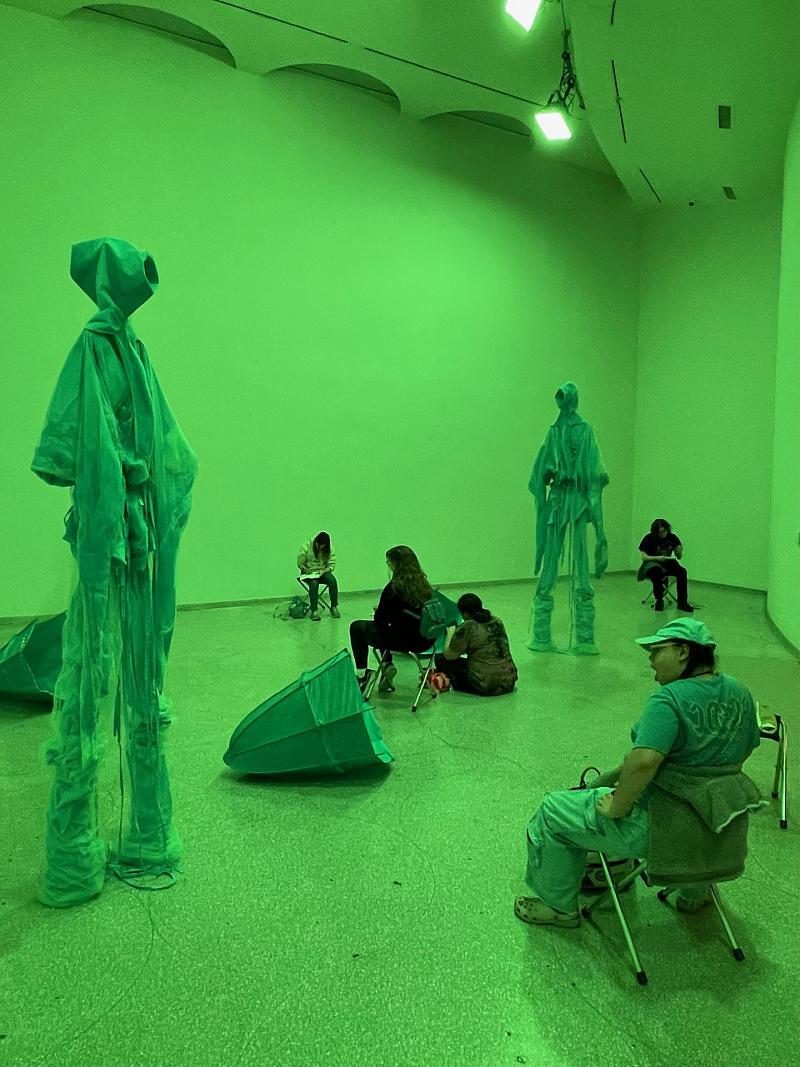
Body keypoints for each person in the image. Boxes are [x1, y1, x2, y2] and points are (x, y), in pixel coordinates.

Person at [514, 618, 763, 928]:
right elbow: (749, 745)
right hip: (723, 823)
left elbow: (644, 761)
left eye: (656, 650)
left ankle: (558, 908)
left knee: (552, 811)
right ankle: (694, 895)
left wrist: (619, 804)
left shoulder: (669, 699)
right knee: (699, 808)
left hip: (665, 827)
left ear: (683, 652)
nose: (650, 658)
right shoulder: (739, 690)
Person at [528, 381, 609, 655]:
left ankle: (583, 638)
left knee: (580, 561)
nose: (561, 404)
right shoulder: (554, 432)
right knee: (552, 560)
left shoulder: (584, 430)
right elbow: (541, 470)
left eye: (564, 399)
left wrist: (599, 530)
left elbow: (593, 474)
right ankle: (542, 636)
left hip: (573, 501)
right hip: (560, 500)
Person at [349, 546, 434, 693]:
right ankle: (387, 666)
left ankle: (363, 675)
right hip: (426, 640)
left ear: (397, 564)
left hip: (405, 641)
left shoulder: (394, 587)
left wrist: (380, 610)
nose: (389, 566)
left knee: (357, 627)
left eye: (389, 562)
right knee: (390, 626)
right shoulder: (423, 585)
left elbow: (380, 620)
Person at [435, 593, 517, 696]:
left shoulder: (468, 626)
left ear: (464, 613)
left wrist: (450, 634)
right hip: (509, 681)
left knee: (440, 659)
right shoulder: (497, 621)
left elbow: (449, 656)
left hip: (486, 684)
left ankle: (457, 683)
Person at [637, 518, 693, 612]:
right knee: (657, 572)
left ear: (667, 529)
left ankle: (682, 602)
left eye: (663, 531)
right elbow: (644, 557)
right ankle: (659, 599)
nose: (662, 534)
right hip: (652, 562)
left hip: (667, 561)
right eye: (659, 532)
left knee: (682, 572)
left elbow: (679, 556)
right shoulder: (649, 538)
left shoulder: (672, 537)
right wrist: (657, 558)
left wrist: (679, 551)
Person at [297, 531, 339, 620]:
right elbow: (300, 564)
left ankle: (334, 606)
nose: (320, 548)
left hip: (322, 571)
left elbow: (331, 566)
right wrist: (305, 569)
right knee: (314, 584)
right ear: (315, 542)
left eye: (322, 547)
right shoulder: (306, 546)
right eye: (318, 546)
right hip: (308, 572)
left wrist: (323, 571)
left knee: (332, 581)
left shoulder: (331, 549)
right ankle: (314, 611)